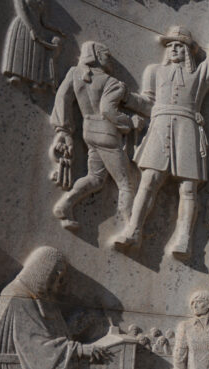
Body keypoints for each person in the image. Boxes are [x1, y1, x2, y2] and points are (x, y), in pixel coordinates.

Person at [112, 8, 209, 260]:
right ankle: (133, 230)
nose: (174, 49)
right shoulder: (154, 71)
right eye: (170, 45)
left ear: (188, 50)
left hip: (187, 129)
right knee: (149, 181)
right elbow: (148, 103)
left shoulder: (198, 75)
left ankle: (184, 238)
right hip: (160, 126)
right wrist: (127, 98)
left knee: (188, 188)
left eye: (179, 45)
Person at [50, 42, 143, 232]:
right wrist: (129, 122)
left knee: (96, 178)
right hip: (107, 134)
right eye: (106, 55)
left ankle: (65, 205)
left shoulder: (75, 74)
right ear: (97, 56)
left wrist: (63, 129)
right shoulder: (111, 82)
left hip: (89, 131)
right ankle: (130, 228)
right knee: (126, 183)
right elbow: (108, 110)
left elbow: (62, 98)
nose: (109, 59)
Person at [2, 0, 62, 90]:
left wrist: (57, 29)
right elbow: (21, 11)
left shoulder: (43, 1)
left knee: (35, 54)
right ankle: (16, 75)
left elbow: (44, 21)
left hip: (38, 28)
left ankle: (35, 80)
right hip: (24, 25)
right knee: (22, 49)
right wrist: (30, 28)